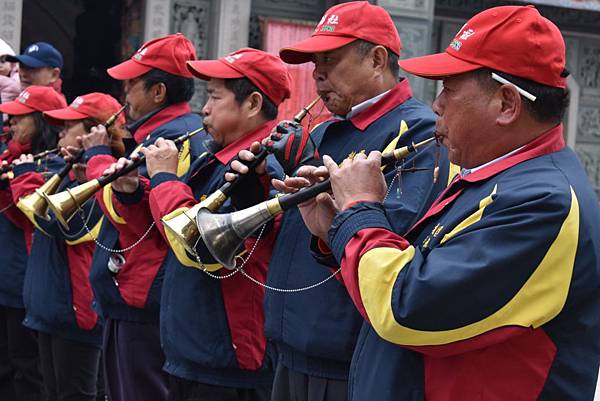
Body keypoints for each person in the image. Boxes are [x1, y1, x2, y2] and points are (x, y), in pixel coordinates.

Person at [294, 5, 600, 401]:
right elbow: (412, 278)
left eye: (449, 89)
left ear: (507, 104)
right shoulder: (492, 178)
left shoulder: (544, 203)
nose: (436, 105)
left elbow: (405, 308)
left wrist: (359, 213)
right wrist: (336, 228)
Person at [240, 2, 451, 401]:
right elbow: (290, 233)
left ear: (376, 59)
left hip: (346, 359)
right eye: (314, 63)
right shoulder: (326, 132)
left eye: (331, 60)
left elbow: (392, 239)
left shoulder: (418, 133)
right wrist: (257, 187)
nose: (317, 74)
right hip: (288, 347)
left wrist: (307, 164)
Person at [111, 47, 289, 401]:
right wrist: (132, 192)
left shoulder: (260, 166)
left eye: (214, 97)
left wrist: (163, 179)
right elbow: (162, 230)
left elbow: (197, 242)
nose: (204, 109)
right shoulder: (215, 154)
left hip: (226, 359)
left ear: (253, 104)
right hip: (192, 349)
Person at [78, 33, 203, 401]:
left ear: (159, 92)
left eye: (132, 84)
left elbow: (130, 213)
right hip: (134, 296)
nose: (124, 95)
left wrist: (99, 158)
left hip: (144, 298)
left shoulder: (171, 139)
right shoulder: (156, 135)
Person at [6, 93, 127, 401]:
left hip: (75, 313)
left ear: (93, 132)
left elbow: (68, 227)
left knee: (76, 394)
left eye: (67, 126)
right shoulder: (72, 169)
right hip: (49, 308)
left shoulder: (107, 175)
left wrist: (24, 181)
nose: (59, 132)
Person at [0, 85, 66, 401]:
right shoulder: (13, 155)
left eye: (19, 119)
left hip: (23, 283)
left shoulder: (52, 164)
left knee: (26, 368)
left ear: (42, 122)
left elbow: (32, 218)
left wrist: (14, 181)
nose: (10, 124)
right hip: (8, 280)